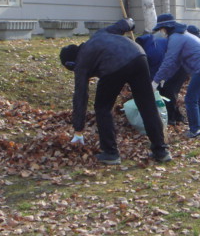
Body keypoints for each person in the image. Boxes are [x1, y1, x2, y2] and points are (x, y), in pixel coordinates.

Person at [59, 19, 171, 165]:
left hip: (114, 65)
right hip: (138, 56)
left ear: (70, 63)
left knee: (102, 108)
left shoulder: (80, 63)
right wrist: (131, 23)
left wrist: (78, 128)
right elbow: (125, 23)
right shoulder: (100, 34)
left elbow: (80, 97)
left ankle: (110, 153)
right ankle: (161, 151)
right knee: (147, 105)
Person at [152, 14, 200, 139]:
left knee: (190, 99)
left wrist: (155, 81)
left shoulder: (176, 37)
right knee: (197, 99)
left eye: (161, 29)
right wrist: (164, 77)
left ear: (166, 27)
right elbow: (176, 63)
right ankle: (199, 128)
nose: (161, 32)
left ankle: (195, 131)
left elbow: (169, 60)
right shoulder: (183, 35)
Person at [135, 24, 200, 126]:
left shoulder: (153, 50)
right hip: (175, 65)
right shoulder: (150, 47)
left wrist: (154, 82)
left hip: (179, 66)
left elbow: (159, 67)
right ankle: (175, 115)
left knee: (169, 91)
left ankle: (171, 117)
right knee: (166, 91)